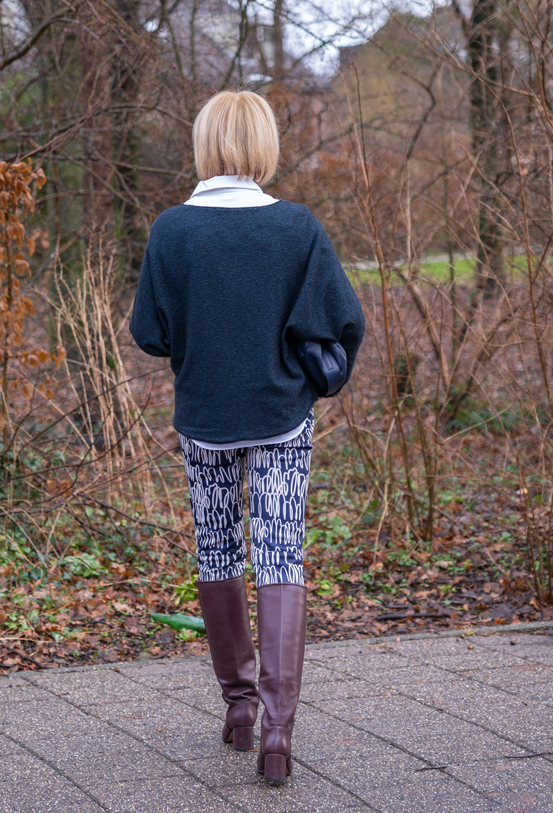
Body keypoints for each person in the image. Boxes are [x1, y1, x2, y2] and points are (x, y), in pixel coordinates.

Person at [129, 90, 365, 784]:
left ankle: (237, 709)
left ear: (204, 143)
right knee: (280, 553)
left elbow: (150, 332)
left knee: (217, 549)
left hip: (203, 416)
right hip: (281, 415)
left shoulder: (170, 231)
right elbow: (340, 321)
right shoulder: (297, 228)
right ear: (262, 145)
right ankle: (277, 733)